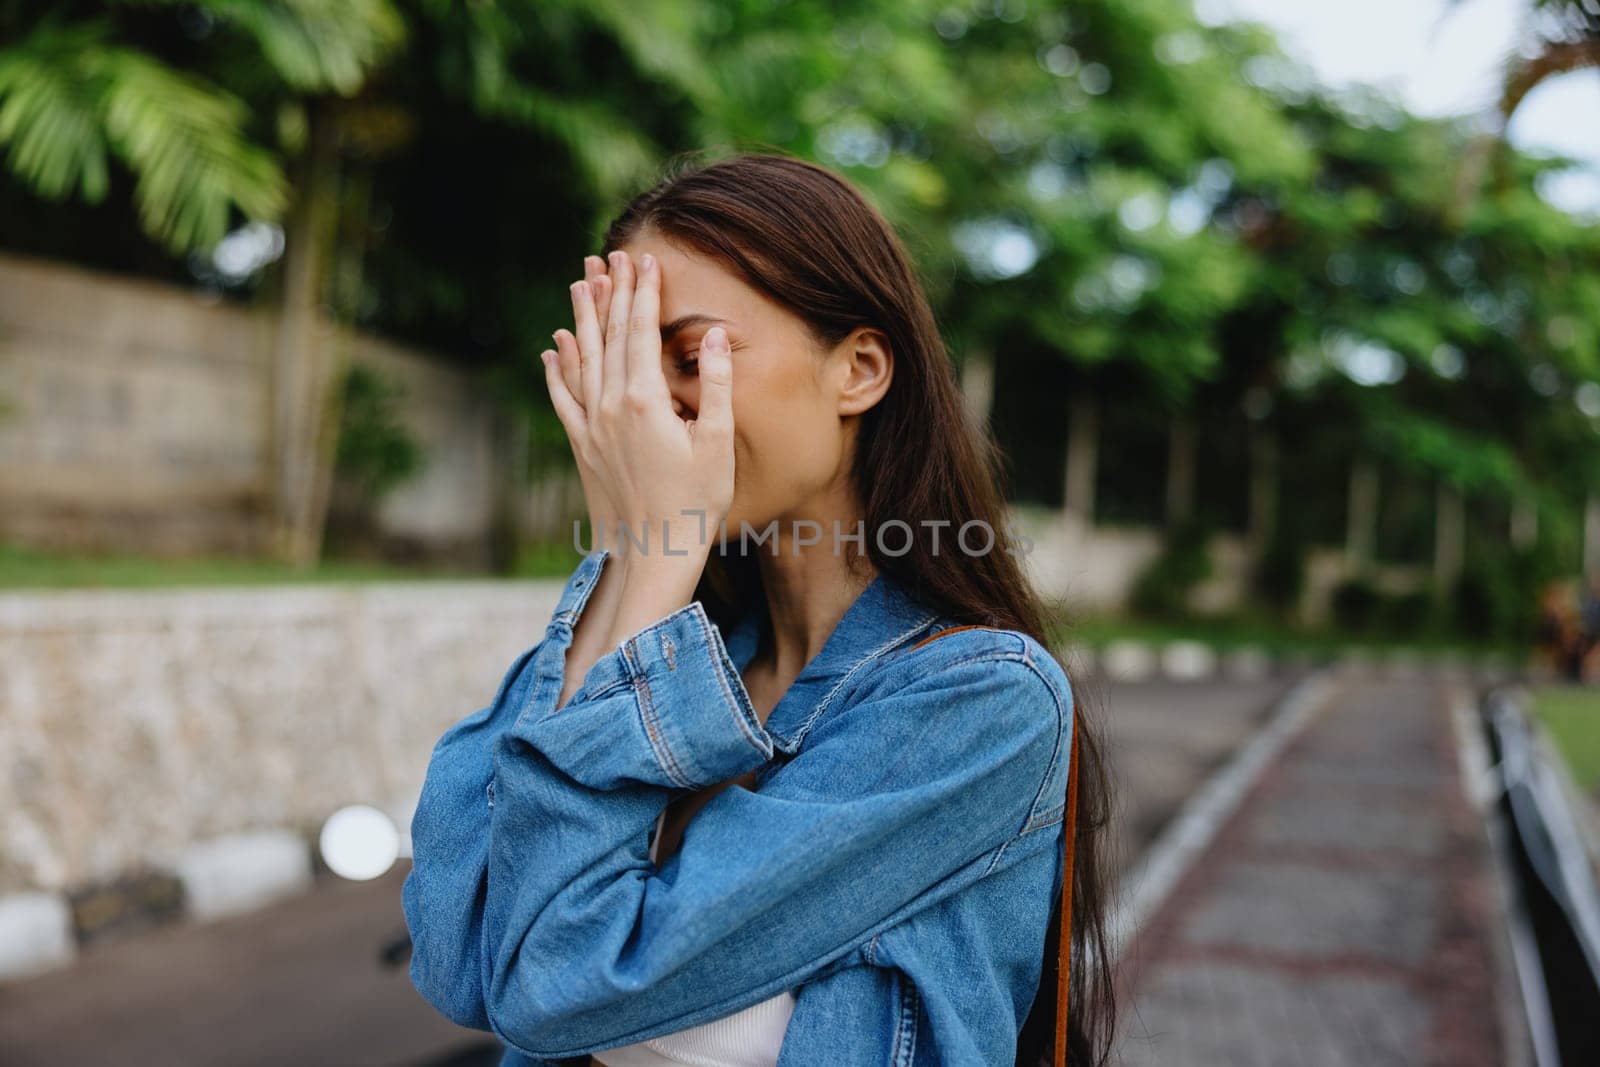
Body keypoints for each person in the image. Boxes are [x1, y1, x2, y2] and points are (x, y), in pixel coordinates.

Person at [401, 152, 1115, 1066]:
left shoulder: (981, 702)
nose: (648, 405)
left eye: (691, 352)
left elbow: (557, 983)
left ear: (858, 369)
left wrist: (655, 549)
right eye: (625, 363)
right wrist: (630, 550)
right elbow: (469, 963)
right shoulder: (684, 653)